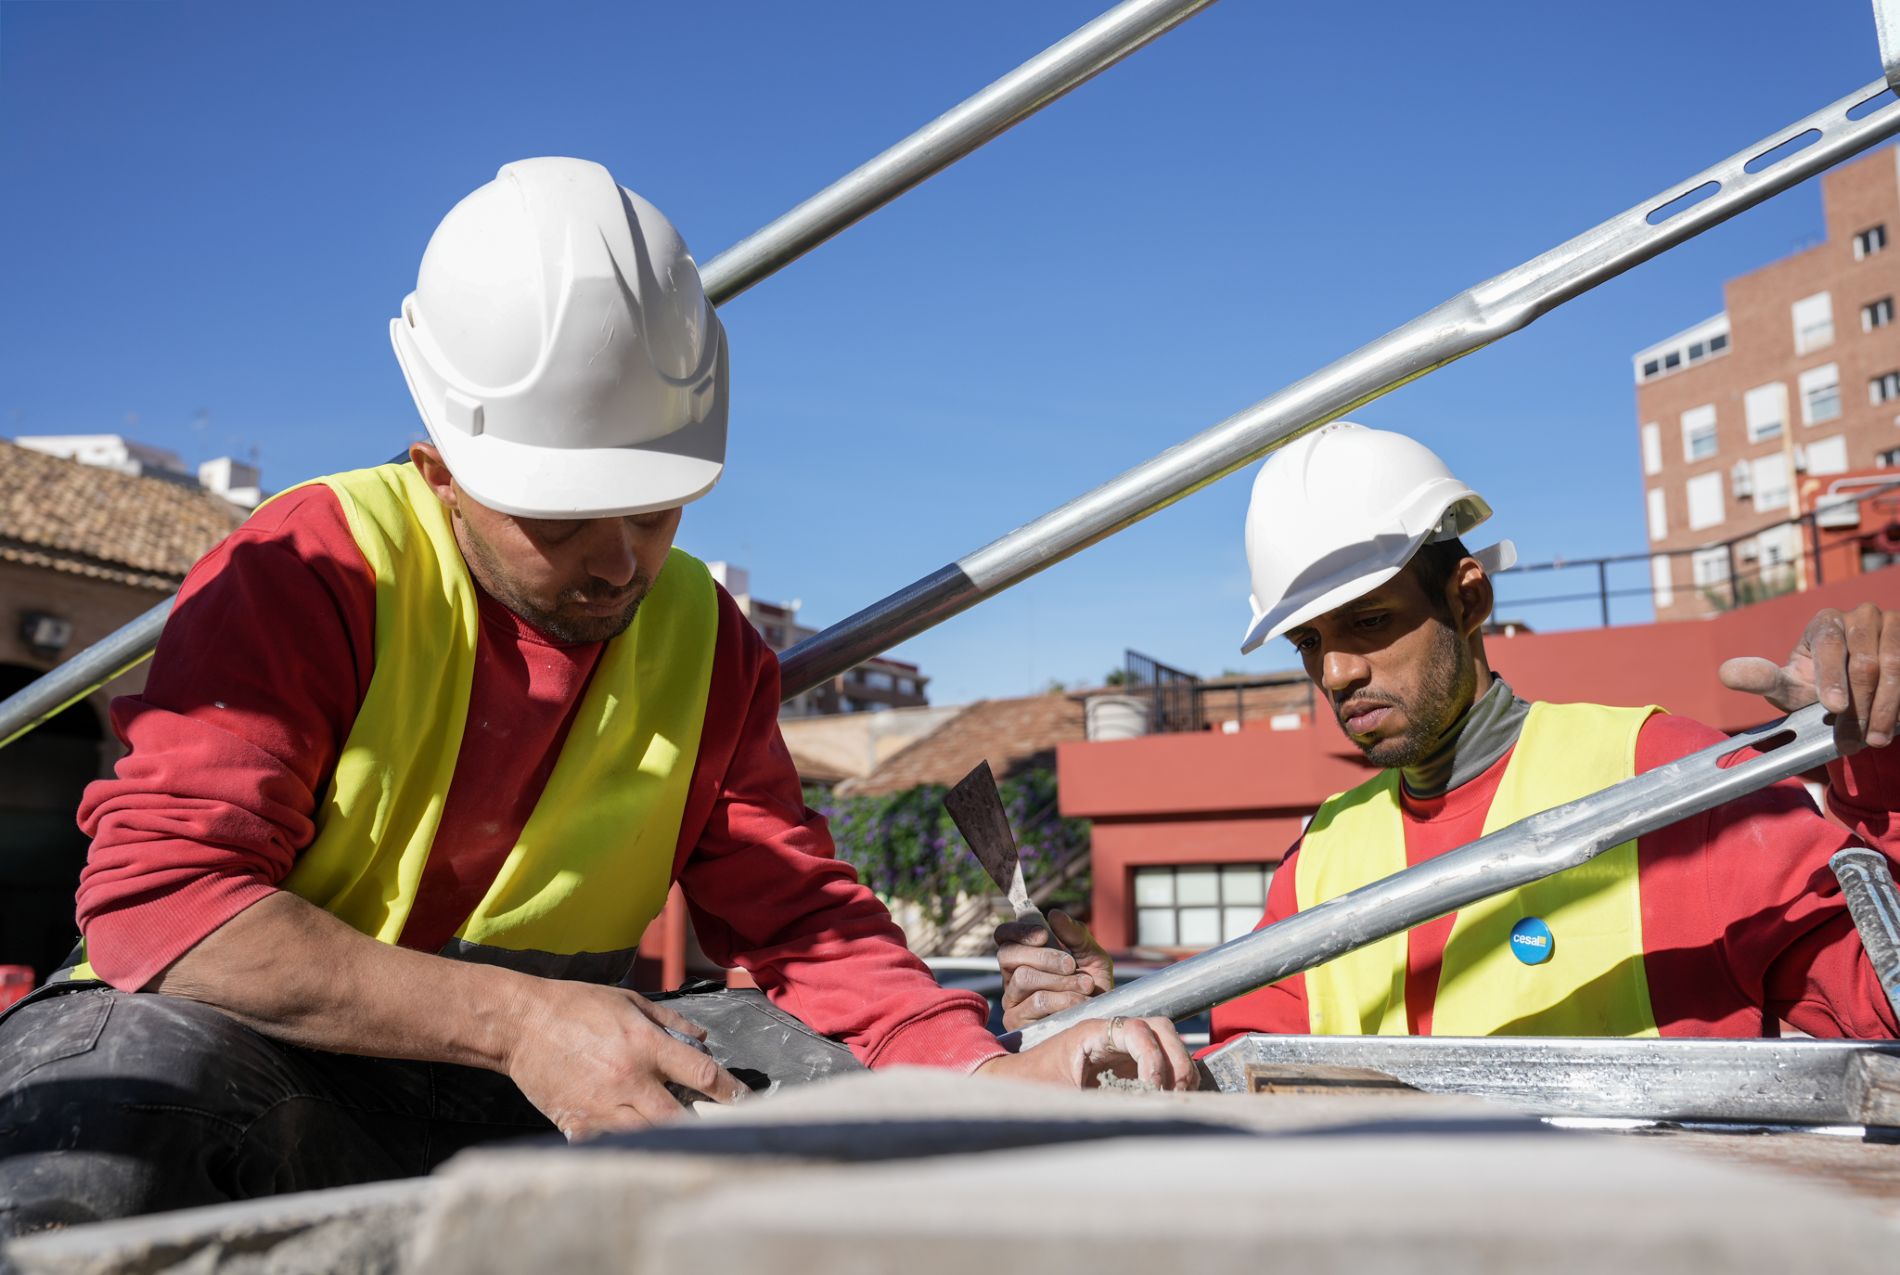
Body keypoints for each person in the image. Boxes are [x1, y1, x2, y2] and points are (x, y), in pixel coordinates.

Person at [0, 158, 1192, 1237]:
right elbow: (168, 907)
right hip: (271, 1054)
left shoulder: (700, 637)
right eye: (565, 519)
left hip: (534, 1078)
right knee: (115, 1092)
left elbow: (798, 923)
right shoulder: (313, 568)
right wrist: (520, 1022)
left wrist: (969, 1074)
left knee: (825, 1093)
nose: (621, 561)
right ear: (442, 470)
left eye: (656, 509)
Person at [998, 421, 1900, 1043]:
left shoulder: (1671, 779)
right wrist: (1122, 1023)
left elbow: (1882, 1006)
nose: (1337, 671)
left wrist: (1882, 775)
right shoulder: (1320, 854)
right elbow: (1247, 1086)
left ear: (1469, 598)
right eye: (1311, 640)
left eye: (1369, 623)